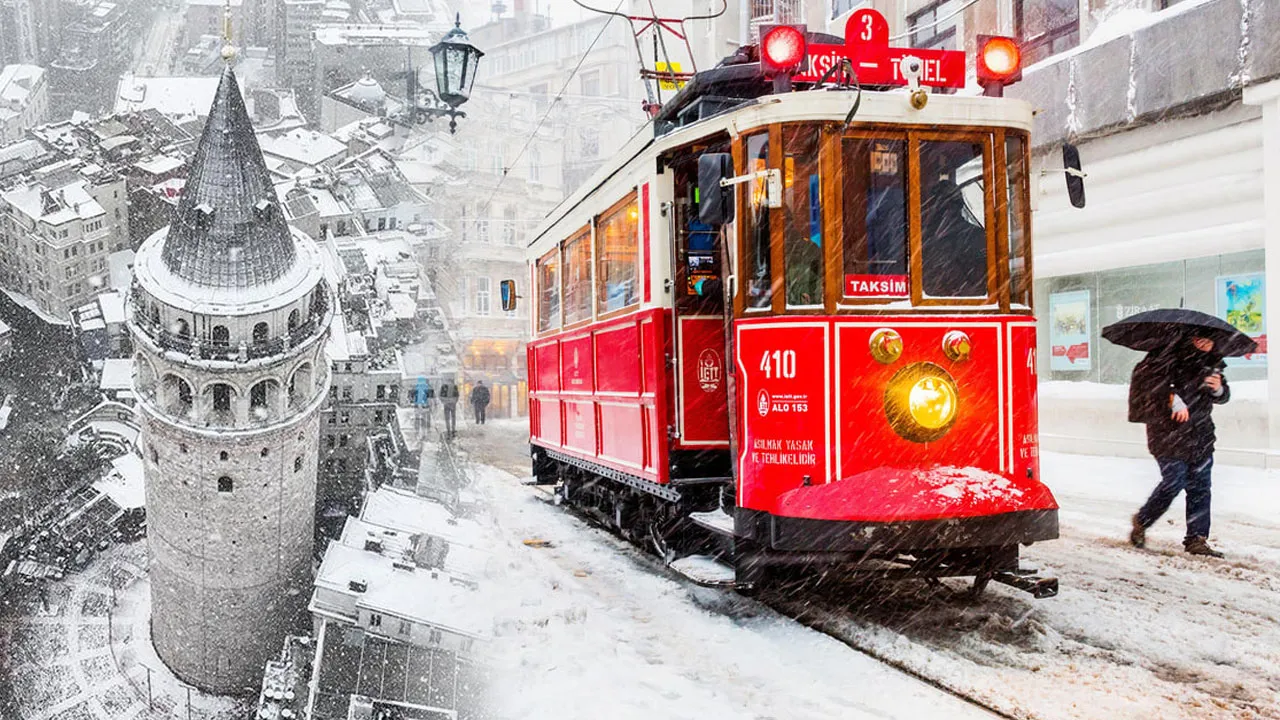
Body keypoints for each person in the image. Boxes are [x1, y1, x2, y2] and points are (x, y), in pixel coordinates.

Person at [1127, 335, 1230, 557]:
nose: (1204, 344)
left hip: (1200, 436)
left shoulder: (1213, 365)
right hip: (1167, 435)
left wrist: (1218, 389)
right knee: (1174, 481)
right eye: (1199, 339)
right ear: (1190, 339)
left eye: (1209, 341)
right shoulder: (1163, 361)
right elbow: (1148, 388)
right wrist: (1171, 398)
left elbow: (1223, 397)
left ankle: (1197, 539)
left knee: (1200, 488)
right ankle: (1142, 520)